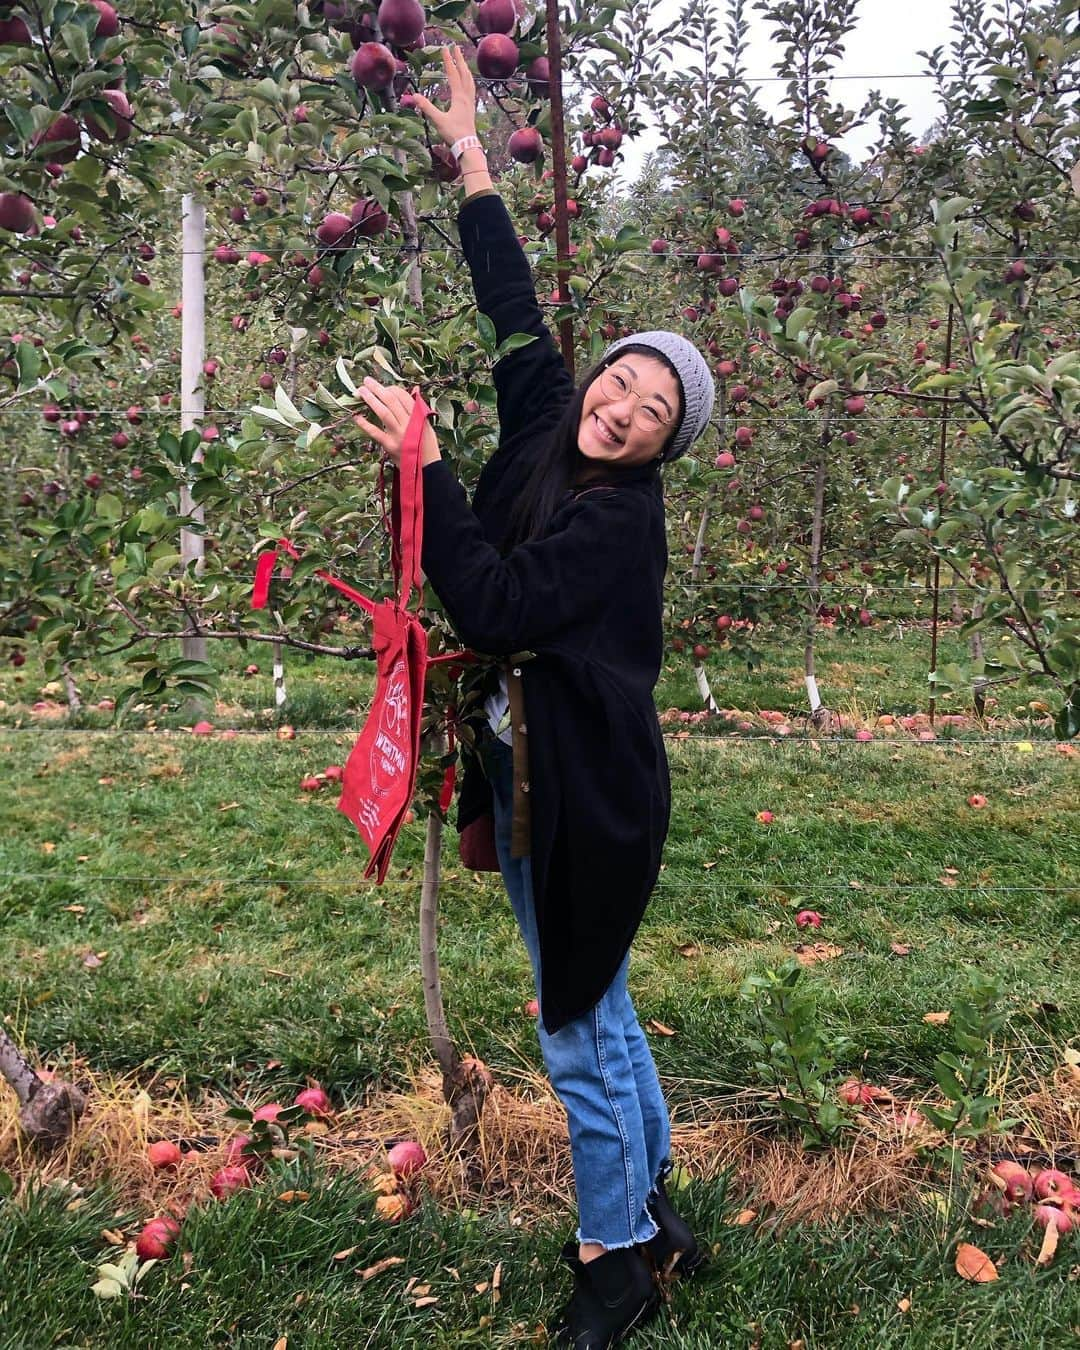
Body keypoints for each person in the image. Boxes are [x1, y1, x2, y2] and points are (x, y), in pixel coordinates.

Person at [353, 43, 716, 1349]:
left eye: (654, 411)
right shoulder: (552, 418)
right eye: (625, 377)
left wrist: (426, 465)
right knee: (602, 1003)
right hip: (539, 774)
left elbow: (494, 607)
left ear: (665, 450)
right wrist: (468, 153)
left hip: (586, 798)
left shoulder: (619, 525)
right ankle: (659, 1206)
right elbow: (512, 304)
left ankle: (615, 1258)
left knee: (574, 1023)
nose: (621, 406)